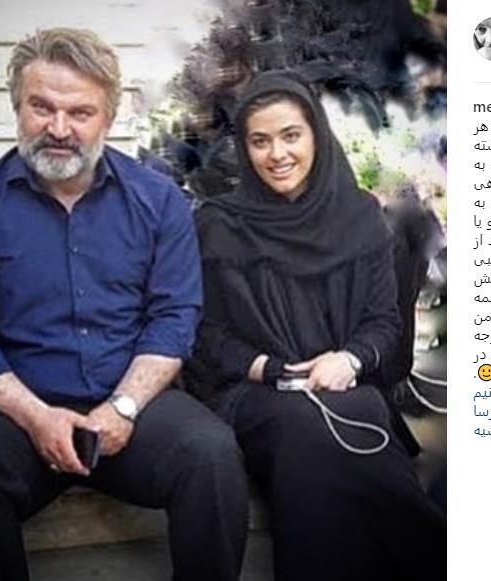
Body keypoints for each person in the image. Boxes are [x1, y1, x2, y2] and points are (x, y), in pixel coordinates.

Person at [0, 28, 248, 581]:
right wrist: (37, 417)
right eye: (42, 107)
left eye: (80, 112)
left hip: (132, 403)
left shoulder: (160, 202)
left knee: (212, 454)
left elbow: (174, 317)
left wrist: (122, 407)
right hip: (15, 410)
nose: (59, 129)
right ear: (17, 106)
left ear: (109, 116)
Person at [184, 71, 446, 581]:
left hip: (343, 385)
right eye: (260, 141)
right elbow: (204, 335)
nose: (276, 154)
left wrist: (348, 360)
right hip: (255, 392)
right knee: (304, 428)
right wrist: (268, 368)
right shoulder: (217, 226)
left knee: (362, 414)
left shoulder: (362, 218)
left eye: (291, 136)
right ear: (245, 149)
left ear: (317, 136)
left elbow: (382, 322)